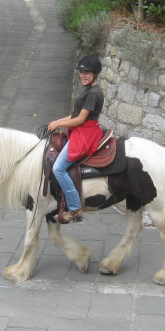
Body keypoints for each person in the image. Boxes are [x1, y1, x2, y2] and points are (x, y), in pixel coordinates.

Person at [48, 54, 104, 223]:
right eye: (81, 72)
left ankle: (74, 208)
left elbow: (80, 120)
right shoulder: (88, 89)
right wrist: (57, 122)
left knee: (58, 168)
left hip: (85, 133)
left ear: (95, 74)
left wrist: (58, 124)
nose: (83, 75)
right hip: (81, 129)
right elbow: (75, 114)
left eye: (87, 73)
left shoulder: (94, 93)